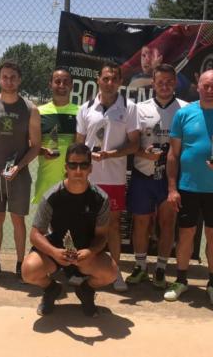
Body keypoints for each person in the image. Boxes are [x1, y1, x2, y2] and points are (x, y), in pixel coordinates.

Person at [165, 70, 213, 306]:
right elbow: (173, 154)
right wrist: (172, 188)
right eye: (206, 86)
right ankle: (180, 281)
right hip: (187, 188)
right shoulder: (184, 113)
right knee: (186, 234)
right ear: (197, 87)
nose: (210, 91)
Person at [22, 143, 117, 316]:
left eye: (84, 165)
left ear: (91, 168)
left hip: (85, 253)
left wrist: (90, 251)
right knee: (29, 270)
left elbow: (102, 236)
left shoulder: (100, 198)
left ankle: (86, 290)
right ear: (66, 167)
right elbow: (35, 234)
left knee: (111, 273)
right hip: (57, 251)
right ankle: (51, 289)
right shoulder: (52, 196)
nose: (78, 170)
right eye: (73, 165)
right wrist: (54, 252)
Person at [0, 60, 41, 282]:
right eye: (5, 77)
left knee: (18, 220)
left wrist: (18, 167)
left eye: (13, 77)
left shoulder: (31, 109)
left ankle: (21, 264)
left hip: (18, 175)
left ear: (19, 79)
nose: (9, 81)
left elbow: (36, 146)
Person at [76, 61, 140, 292]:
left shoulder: (130, 108)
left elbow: (135, 145)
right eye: (106, 78)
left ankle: (116, 272)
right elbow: (79, 145)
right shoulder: (85, 108)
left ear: (121, 82)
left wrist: (111, 154)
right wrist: (79, 170)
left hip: (114, 178)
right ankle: (83, 270)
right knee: (86, 225)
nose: (110, 83)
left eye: (114, 79)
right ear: (98, 80)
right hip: (88, 178)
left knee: (112, 226)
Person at [126, 64, 188, 289]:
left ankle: (161, 268)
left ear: (175, 83)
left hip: (170, 178)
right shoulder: (138, 108)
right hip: (143, 174)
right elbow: (130, 145)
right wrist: (144, 154)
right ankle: (140, 266)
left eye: (169, 82)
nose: (164, 86)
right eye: (160, 82)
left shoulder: (185, 108)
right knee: (140, 222)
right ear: (152, 83)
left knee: (167, 222)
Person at [32, 66, 78, 204]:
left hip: (73, 181)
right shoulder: (38, 112)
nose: (62, 85)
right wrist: (42, 151)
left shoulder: (81, 112)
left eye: (66, 82)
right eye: (57, 81)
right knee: (44, 224)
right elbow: (31, 144)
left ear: (71, 86)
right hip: (46, 181)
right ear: (50, 84)